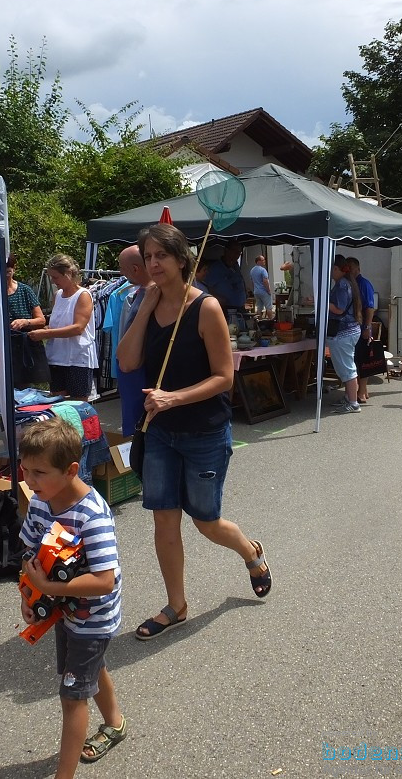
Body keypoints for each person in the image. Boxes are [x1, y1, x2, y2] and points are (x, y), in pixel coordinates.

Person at [116, 223, 271, 641]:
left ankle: (250, 552)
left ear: (182, 259)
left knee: (206, 522)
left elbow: (224, 377)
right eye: (147, 257)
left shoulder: (207, 308)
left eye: (160, 256)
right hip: (160, 433)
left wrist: (173, 398)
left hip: (203, 431)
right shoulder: (142, 306)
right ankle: (176, 606)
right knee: (164, 523)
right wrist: (146, 309)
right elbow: (127, 363)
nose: (152, 263)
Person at [18, 420, 125, 778]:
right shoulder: (40, 503)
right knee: (85, 670)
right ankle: (116, 723)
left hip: (92, 617)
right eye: (25, 471)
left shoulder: (92, 514)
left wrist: (50, 590)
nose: (29, 481)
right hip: (65, 610)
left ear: (71, 471)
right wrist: (29, 596)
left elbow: (104, 581)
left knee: (72, 695)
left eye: (39, 473)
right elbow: (29, 553)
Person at [30, 255, 96, 400]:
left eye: (56, 277)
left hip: (78, 359)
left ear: (68, 274)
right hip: (57, 357)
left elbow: (78, 328)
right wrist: (40, 330)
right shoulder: (58, 295)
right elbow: (57, 324)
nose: (53, 281)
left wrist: (46, 334)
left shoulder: (83, 295)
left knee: (78, 405)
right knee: (58, 404)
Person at [114, 245, 152, 437]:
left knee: (142, 431)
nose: (120, 272)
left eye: (122, 267)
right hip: (134, 376)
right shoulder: (137, 294)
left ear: (135, 269)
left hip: (140, 377)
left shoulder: (149, 295)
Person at [326, 255, 363, 414]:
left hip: (343, 331)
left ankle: (353, 403)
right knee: (346, 367)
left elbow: (339, 309)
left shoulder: (342, 284)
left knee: (347, 369)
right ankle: (349, 398)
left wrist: (321, 301)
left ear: (336, 268)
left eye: (331, 269)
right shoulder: (347, 282)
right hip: (348, 330)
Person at [5, 253, 47, 388]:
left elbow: (41, 320)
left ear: (14, 269)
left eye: (8, 272)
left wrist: (25, 322)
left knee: (26, 388)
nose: (5, 276)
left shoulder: (25, 290)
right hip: (4, 345)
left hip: (25, 346)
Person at [347, 256, 376, 403]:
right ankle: (363, 390)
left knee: (362, 360)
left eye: (350, 268)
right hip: (355, 327)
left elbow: (370, 307)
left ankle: (361, 391)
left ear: (357, 269)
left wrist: (367, 327)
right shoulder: (351, 283)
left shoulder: (363, 284)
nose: (348, 270)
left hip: (362, 327)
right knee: (357, 359)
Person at [203, 240, 247, 313]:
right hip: (225, 310)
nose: (237, 255)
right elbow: (206, 288)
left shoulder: (236, 266)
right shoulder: (216, 268)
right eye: (235, 252)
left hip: (240, 309)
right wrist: (217, 298)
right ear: (227, 251)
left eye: (239, 253)